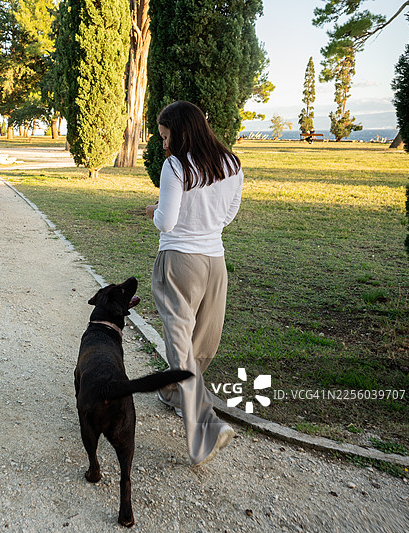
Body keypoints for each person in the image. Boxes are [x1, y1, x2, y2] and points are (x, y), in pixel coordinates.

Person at [145, 100, 243, 466]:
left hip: (178, 264)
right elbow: (229, 213)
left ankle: (207, 428)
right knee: (201, 341)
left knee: (182, 343)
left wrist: (155, 213)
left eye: (167, 136)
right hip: (215, 263)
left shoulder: (175, 166)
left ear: (181, 132)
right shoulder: (231, 164)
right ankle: (174, 390)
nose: (165, 145)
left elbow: (166, 222)